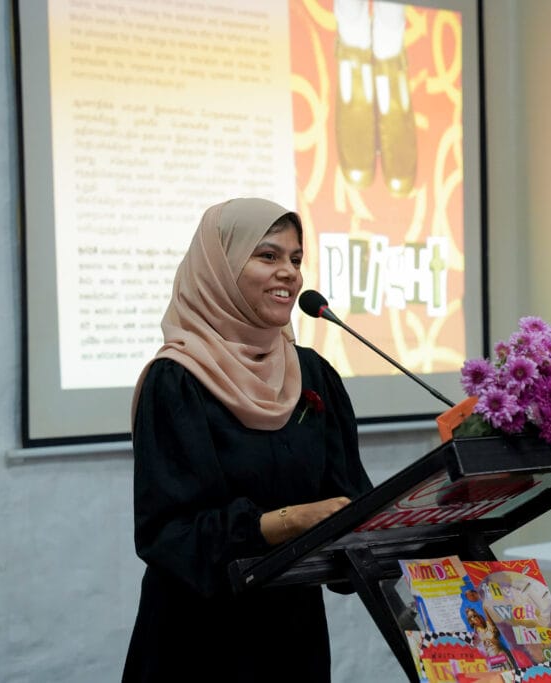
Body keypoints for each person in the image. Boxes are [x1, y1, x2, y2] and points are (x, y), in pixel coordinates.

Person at [122, 198, 373, 682]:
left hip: (292, 639)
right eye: (268, 256)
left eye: (296, 259)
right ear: (219, 267)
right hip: (199, 642)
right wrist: (287, 522)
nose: (289, 274)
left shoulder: (315, 376)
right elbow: (169, 533)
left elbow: (351, 499)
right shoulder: (176, 380)